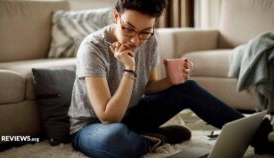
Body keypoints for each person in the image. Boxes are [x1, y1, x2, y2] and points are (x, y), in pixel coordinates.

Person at [68, 0, 243, 157]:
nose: (136, 41)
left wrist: (171, 80)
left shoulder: (150, 40)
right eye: (129, 29)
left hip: (133, 115)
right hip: (92, 127)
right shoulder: (93, 48)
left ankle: (261, 133)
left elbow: (149, 87)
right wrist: (129, 69)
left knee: (188, 88)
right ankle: (156, 138)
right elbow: (108, 117)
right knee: (115, 141)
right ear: (116, 16)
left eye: (145, 32)